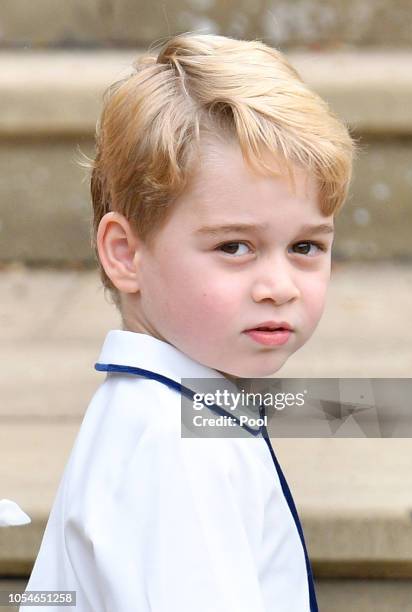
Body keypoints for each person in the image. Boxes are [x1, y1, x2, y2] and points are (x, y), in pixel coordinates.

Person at [21, 33, 356, 611]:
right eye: (234, 247)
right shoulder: (172, 448)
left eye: (305, 245)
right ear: (126, 253)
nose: (278, 287)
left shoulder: (181, 409)